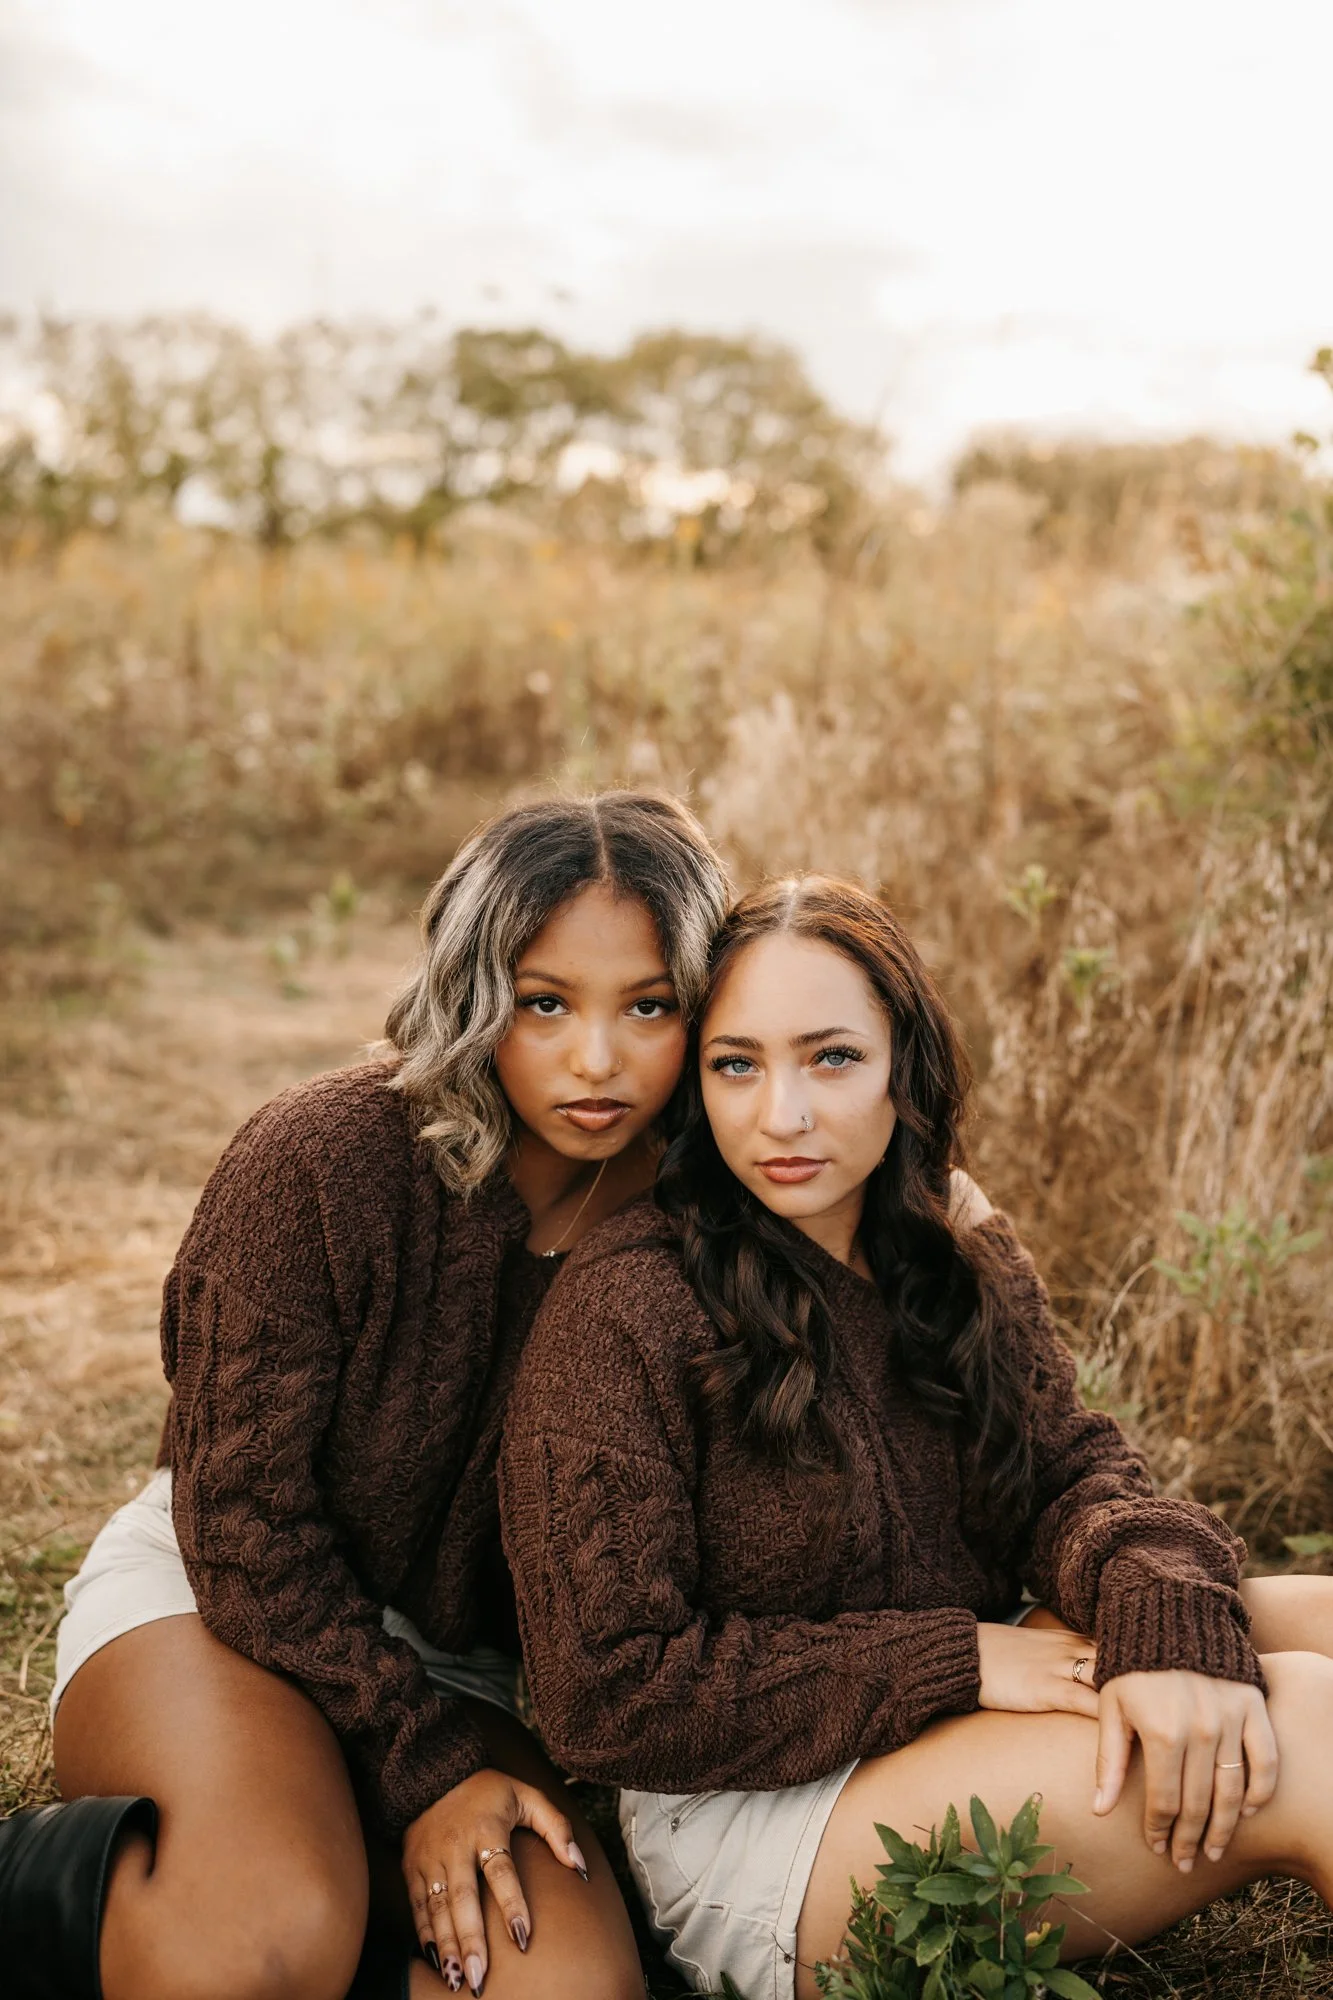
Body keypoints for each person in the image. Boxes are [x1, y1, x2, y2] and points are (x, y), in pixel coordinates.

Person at [499, 874, 1333, 2000]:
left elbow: (1069, 1472)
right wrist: (961, 1657)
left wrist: (1162, 1607)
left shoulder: (947, 1235)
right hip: (761, 1820)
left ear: (906, 1065)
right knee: (1312, 1730)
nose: (781, 1115)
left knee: (1320, 1623)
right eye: (736, 1064)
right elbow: (606, 1694)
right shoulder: (629, 1306)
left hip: (958, 1702)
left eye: (832, 1058)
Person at [0, 791, 733, 2000]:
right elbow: (240, 1518)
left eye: (648, 1004)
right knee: (263, 1941)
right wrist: (423, 1764)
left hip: (450, 1674)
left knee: (568, 1990)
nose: (596, 1058)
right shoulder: (322, 1158)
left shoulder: (708, 1233)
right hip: (218, 1599)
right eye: (544, 1001)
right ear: (474, 988)